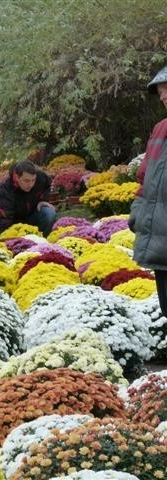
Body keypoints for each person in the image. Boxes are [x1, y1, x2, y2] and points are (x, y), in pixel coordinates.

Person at [130, 65, 167, 317]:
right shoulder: (160, 129)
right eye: (161, 92)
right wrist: (138, 214)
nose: (163, 96)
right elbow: (144, 179)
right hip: (159, 238)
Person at [0, 160, 55, 238]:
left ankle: (41, 241)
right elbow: (4, 216)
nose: (30, 184)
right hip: (11, 219)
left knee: (49, 213)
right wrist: (10, 240)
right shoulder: (5, 187)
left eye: (33, 180)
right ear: (17, 177)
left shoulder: (40, 177)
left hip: (31, 215)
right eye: (26, 181)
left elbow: (47, 185)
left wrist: (44, 199)